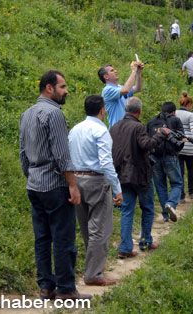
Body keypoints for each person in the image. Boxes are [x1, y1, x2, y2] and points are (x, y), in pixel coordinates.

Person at [19, 70, 91, 301]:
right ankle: (66, 289)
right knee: (63, 237)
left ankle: (46, 287)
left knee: (42, 237)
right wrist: (72, 185)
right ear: (49, 88)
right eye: (62, 87)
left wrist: (30, 177)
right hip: (55, 185)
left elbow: (23, 153)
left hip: (34, 185)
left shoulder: (27, 114)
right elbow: (61, 154)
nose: (66, 91)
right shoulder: (54, 114)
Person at [68, 95, 123, 286]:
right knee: (100, 228)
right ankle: (94, 274)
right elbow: (106, 162)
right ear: (102, 110)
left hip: (76, 179)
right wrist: (117, 188)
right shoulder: (101, 130)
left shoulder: (75, 129)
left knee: (85, 226)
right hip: (96, 180)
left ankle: (94, 265)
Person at [110, 97, 169, 258]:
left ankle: (125, 247)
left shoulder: (114, 127)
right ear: (139, 111)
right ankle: (145, 241)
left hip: (121, 175)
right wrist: (161, 135)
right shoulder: (138, 127)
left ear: (125, 109)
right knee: (148, 208)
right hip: (140, 176)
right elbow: (146, 145)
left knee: (127, 211)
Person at [147, 102, 186, 223]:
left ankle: (165, 215)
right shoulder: (175, 120)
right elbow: (182, 138)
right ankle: (171, 204)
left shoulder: (152, 122)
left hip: (154, 157)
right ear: (173, 112)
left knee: (160, 186)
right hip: (170, 157)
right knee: (177, 183)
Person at [175, 91, 193, 203]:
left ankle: (181, 196)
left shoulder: (175, 113)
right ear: (189, 105)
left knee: (180, 171)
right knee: (191, 169)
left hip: (177, 145)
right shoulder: (190, 115)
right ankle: (191, 192)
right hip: (189, 146)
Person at [98, 60, 144, 128]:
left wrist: (138, 73)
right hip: (117, 129)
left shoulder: (120, 87)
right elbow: (126, 90)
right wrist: (133, 71)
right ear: (106, 77)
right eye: (112, 70)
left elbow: (138, 88)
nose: (115, 71)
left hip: (127, 127)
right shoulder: (107, 90)